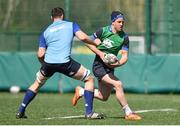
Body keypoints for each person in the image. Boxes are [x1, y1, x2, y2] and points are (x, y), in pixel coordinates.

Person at [16, 7, 105, 119]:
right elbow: (82, 37)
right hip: (65, 63)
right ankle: (89, 112)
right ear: (62, 15)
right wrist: (95, 43)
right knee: (89, 79)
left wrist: (44, 65)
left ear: (51, 17)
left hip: (48, 64)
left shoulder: (45, 32)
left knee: (37, 84)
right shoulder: (71, 25)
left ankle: (21, 111)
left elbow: (40, 54)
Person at [72, 11, 142, 120]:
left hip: (110, 67)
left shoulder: (124, 38)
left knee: (103, 96)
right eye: (119, 22)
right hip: (99, 66)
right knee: (118, 84)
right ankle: (128, 113)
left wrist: (118, 64)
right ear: (113, 22)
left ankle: (81, 91)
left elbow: (124, 56)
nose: (121, 24)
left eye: (123, 22)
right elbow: (87, 42)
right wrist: (100, 53)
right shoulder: (103, 31)